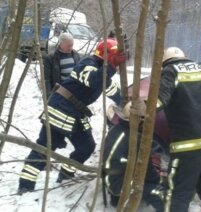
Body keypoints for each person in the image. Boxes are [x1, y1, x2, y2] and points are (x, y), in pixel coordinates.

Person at [17, 38, 126, 194]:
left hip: (75, 113)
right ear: (107, 55)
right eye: (115, 58)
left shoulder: (103, 71)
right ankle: (25, 185)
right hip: (60, 109)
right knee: (44, 147)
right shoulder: (87, 63)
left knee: (86, 147)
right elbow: (95, 80)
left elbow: (113, 92)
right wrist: (112, 66)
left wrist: (128, 103)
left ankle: (66, 174)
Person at [154, 47, 201, 212]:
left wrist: (142, 109)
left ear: (165, 62)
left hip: (188, 148)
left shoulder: (170, 71)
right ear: (184, 58)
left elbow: (160, 100)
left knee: (179, 193)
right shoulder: (200, 69)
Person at [103, 102, 164, 211]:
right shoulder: (135, 138)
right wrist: (160, 182)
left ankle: (118, 197)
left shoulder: (115, 129)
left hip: (110, 180)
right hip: (119, 184)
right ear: (140, 120)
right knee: (161, 194)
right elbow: (147, 170)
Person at [44, 32, 80, 97]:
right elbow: (47, 79)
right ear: (60, 44)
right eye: (68, 46)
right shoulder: (51, 58)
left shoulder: (75, 55)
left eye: (72, 45)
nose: (71, 48)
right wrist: (49, 94)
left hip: (74, 91)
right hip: (59, 92)